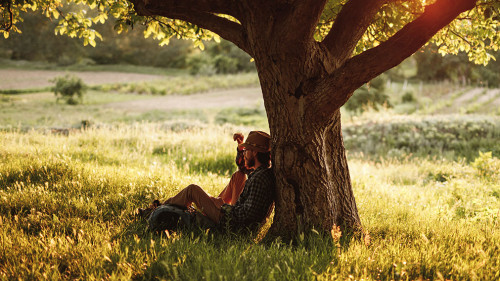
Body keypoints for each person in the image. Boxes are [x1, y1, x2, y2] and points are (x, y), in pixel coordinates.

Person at [142, 131, 275, 232]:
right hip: (233, 217)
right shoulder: (260, 173)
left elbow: (247, 216)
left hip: (232, 224)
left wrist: (222, 206)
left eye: (246, 151)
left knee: (192, 190)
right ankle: (160, 209)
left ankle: (153, 211)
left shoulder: (259, 179)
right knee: (238, 175)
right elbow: (243, 168)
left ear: (255, 153)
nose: (244, 153)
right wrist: (241, 149)